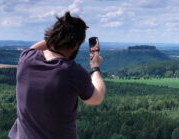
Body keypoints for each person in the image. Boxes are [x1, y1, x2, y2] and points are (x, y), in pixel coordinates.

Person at [8, 11, 106, 139]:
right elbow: (96, 98)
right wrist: (95, 67)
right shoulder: (73, 72)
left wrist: (64, 30)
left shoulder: (26, 59)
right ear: (76, 45)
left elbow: (42, 45)